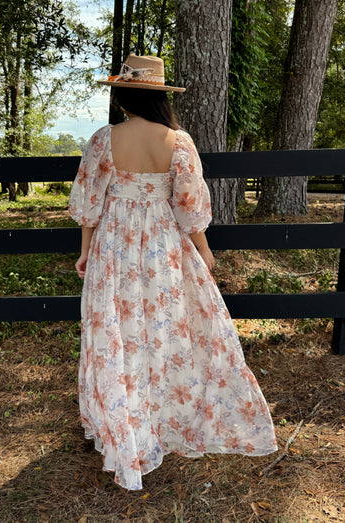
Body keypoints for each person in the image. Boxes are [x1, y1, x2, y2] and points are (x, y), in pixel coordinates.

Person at [68, 54, 277, 491]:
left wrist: (86, 253)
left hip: (116, 247)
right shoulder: (177, 142)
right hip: (162, 247)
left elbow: (90, 205)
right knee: (163, 331)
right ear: (161, 96)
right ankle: (162, 419)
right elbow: (189, 207)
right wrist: (203, 251)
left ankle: (127, 425)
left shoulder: (104, 139)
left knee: (120, 333)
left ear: (122, 95)